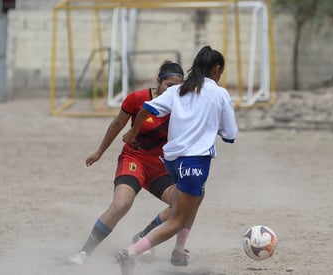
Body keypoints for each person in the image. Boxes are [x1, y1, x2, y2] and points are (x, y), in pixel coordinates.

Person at [119, 45, 238, 274]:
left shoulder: (178, 90)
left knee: (197, 196)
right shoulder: (220, 93)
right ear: (216, 70)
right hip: (194, 162)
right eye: (220, 72)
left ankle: (178, 252)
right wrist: (215, 128)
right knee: (176, 220)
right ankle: (131, 253)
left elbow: (147, 108)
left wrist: (133, 131)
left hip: (172, 162)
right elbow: (230, 134)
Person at [69, 61, 186, 265]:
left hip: (160, 167)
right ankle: (83, 253)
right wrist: (99, 152)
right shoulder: (137, 99)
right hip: (135, 159)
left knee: (183, 205)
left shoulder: (183, 103)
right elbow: (117, 124)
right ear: (158, 81)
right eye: (169, 85)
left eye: (178, 86)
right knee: (121, 204)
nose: (173, 90)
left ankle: (142, 236)